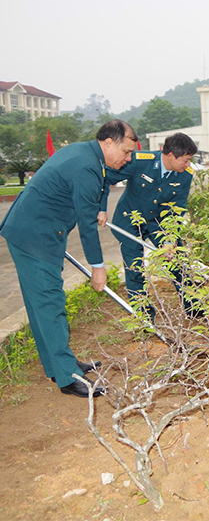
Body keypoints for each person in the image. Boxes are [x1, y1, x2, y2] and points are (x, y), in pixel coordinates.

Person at [0, 119, 137, 398]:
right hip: (36, 236)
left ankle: (58, 364)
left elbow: (102, 182)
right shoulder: (86, 166)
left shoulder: (86, 153)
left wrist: (101, 206)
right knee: (50, 303)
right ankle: (66, 377)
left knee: (42, 305)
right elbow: (87, 225)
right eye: (126, 152)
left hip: (32, 229)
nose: (128, 158)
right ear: (109, 143)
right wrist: (98, 267)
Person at [100, 132, 198, 320]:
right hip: (130, 220)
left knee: (177, 261)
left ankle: (193, 307)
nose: (188, 165)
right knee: (134, 267)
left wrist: (169, 240)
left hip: (159, 223)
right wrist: (101, 209)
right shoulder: (138, 161)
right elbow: (105, 179)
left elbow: (177, 209)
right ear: (171, 155)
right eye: (185, 160)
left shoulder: (185, 175)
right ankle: (144, 316)